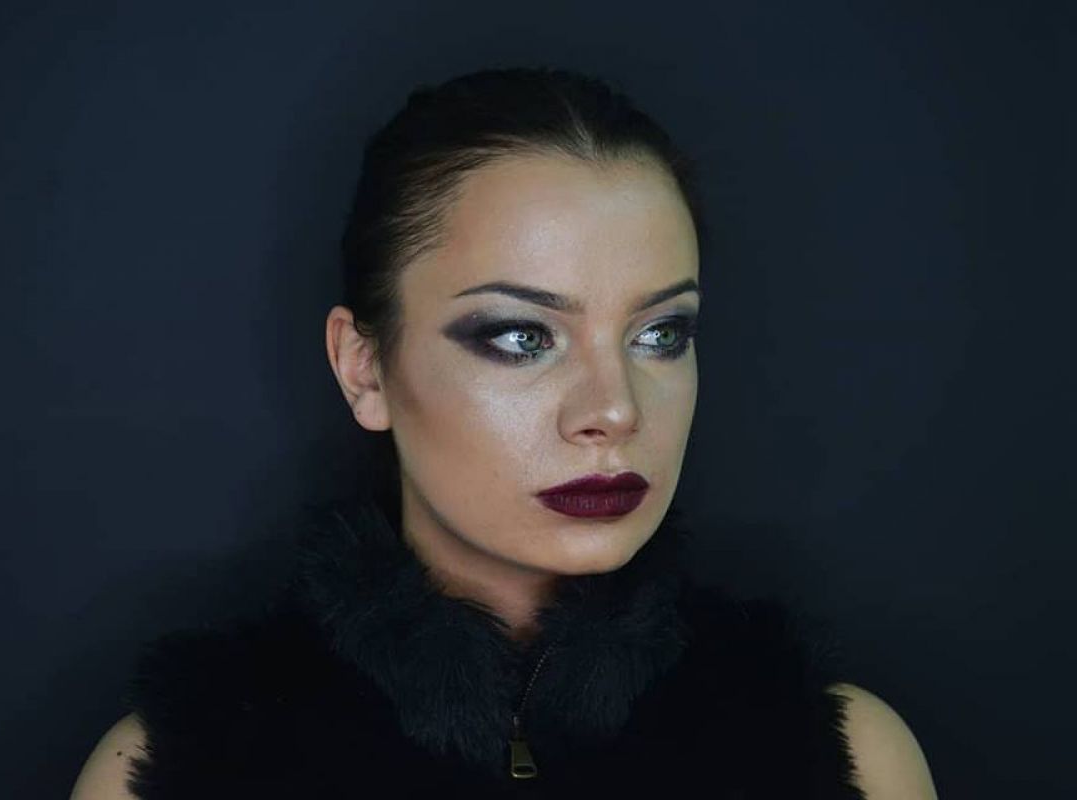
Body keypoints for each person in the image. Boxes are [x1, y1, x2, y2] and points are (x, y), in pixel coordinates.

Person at [70, 66, 938, 799]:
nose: (616, 409)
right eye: (522, 337)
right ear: (364, 368)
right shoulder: (170, 771)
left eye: (659, 334)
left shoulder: (848, 759)